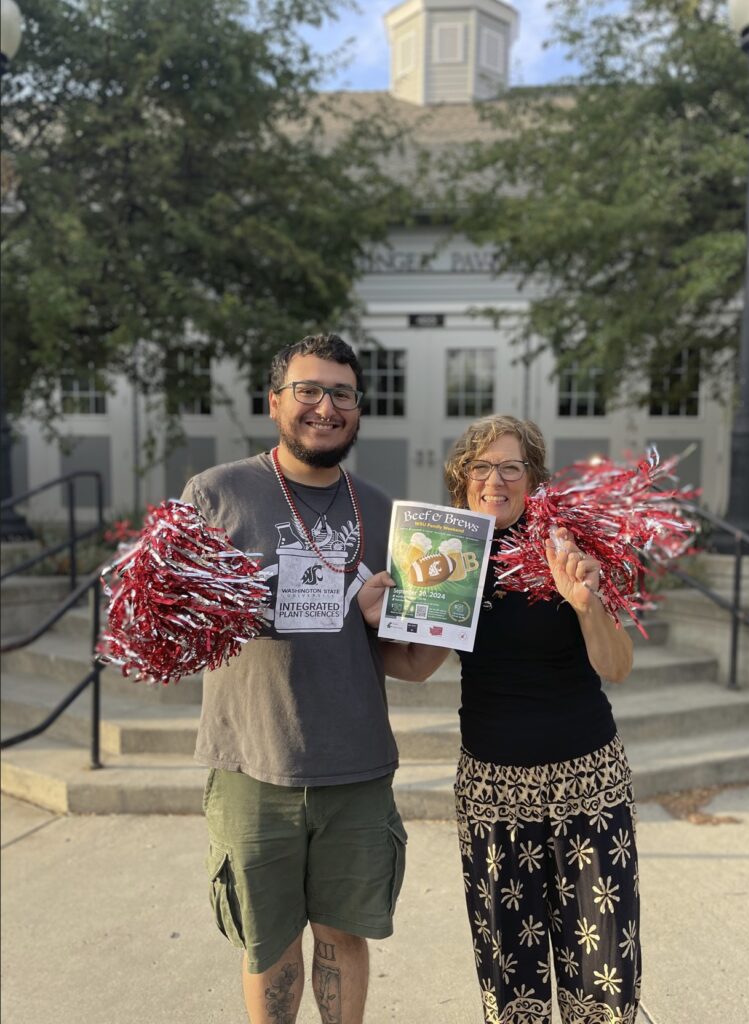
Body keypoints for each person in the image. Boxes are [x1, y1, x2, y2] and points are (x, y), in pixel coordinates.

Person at [181, 333, 440, 1024]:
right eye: (309, 390)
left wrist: (454, 617)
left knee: (342, 934)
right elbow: (173, 630)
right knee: (267, 942)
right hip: (251, 761)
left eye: (343, 394)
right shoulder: (215, 496)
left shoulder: (387, 515)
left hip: (354, 764)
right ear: (275, 402)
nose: (326, 407)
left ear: (358, 409)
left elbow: (410, 664)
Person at [362, 413, 640, 1024]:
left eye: (511, 466)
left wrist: (586, 604)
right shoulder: (448, 559)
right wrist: (374, 619)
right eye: (481, 467)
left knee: (604, 976)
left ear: (532, 478)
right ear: (462, 482)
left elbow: (617, 666)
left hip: (588, 781)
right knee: (511, 972)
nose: (496, 480)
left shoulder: (564, 550)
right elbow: (412, 666)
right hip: (493, 788)